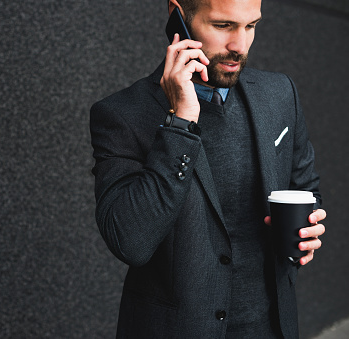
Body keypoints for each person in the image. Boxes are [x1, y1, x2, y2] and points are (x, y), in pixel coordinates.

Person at [89, 0, 327, 338]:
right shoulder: (122, 114)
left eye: (251, 26)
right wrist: (181, 122)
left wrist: (309, 227)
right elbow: (130, 241)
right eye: (223, 26)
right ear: (178, 15)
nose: (239, 46)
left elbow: (307, 190)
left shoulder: (280, 95)